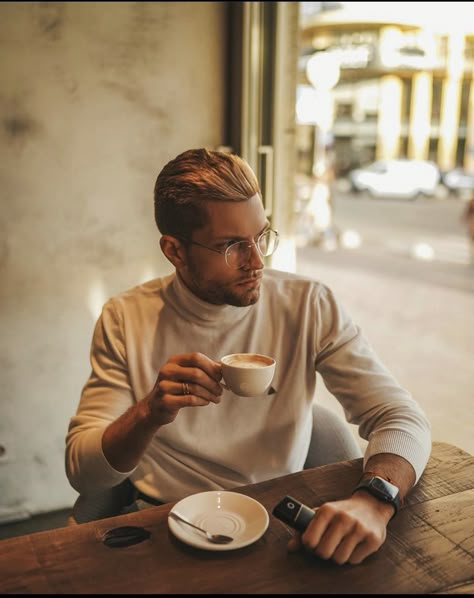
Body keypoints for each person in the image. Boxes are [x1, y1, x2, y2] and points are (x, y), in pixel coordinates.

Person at [65, 148, 431, 565]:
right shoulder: (125, 317)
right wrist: (149, 412)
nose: (257, 261)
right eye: (231, 246)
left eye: (261, 236)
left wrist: (374, 501)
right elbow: (85, 472)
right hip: (164, 520)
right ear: (175, 250)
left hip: (278, 517)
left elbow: (400, 416)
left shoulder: (308, 305)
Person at [461, 195, 474, 265]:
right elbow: (467, 212)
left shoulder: (471, 201)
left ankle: (472, 256)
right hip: (472, 224)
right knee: (471, 241)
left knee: (471, 241)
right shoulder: (471, 202)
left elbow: (466, 213)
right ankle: (472, 256)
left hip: (472, 224)